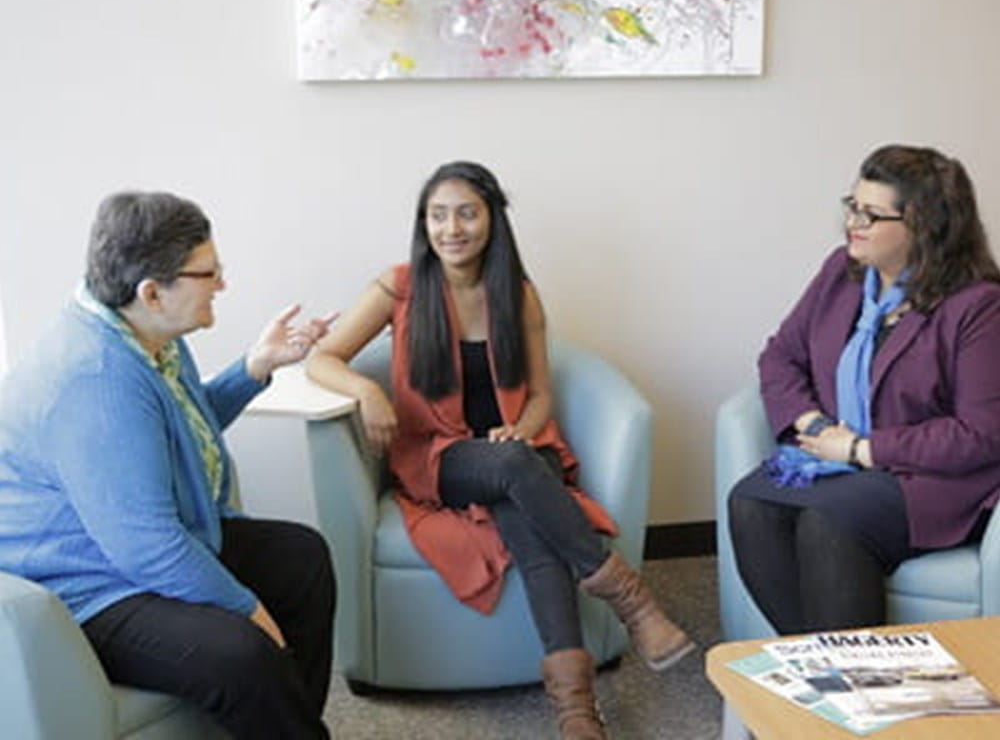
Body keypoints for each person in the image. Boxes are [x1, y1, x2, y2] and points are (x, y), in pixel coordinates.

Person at [307, 161, 693, 740]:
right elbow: (321, 359)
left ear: (492, 218)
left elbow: (538, 397)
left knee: (532, 530)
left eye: (466, 212)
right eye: (437, 216)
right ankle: (631, 601)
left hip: (515, 452)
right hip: (439, 457)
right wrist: (367, 390)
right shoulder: (399, 286)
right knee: (516, 470)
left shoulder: (518, 294)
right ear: (424, 224)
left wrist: (522, 429)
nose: (451, 228)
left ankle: (577, 711)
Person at [0, 192, 337, 739]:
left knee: (302, 559)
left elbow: (181, 427)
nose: (222, 284)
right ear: (152, 292)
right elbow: (148, 546)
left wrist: (256, 367)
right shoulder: (96, 378)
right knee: (244, 653)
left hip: (121, 548)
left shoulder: (144, 334)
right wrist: (249, 611)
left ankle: (288, 725)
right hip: (80, 583)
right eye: (210, 273)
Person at [728, 144, 1000, 636]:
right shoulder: (844, 272)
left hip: (927, 479)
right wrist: (812, 423)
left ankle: (850, 686)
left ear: (924, 224)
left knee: (827, 520)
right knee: (750, 501)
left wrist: (861, 448)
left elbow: (980, 433)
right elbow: (780, 356)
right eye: (852, 206)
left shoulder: (978, 307)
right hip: (836, 456)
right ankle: (818, 668)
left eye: (871, 215)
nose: (853, 222)